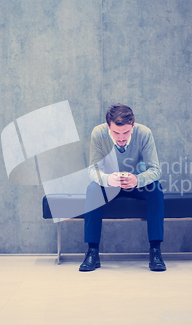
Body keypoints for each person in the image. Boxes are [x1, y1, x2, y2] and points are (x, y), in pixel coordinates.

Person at [79, 104, 166, 272]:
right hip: (110, 183)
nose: (121, 138)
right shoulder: (98, 133)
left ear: (133, 125)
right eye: (116, 133)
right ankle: (92, 252)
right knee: (92, 189)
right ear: (108, 127)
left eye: (126, 132)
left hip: (136, 183)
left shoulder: (144, 133)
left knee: (156, 189)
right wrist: (107, 179)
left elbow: (155, 170)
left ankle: (155, 251)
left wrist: (137, 180)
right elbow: (93, 170)